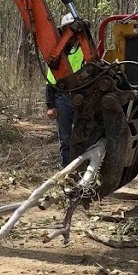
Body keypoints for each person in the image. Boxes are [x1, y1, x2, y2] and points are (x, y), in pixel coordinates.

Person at [45, 18, 85, 167]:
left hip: (82, 99)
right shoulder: (58, 53)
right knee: (65, 139)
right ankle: (68, 172)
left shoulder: (85, 50)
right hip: (63, 99)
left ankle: (82, 172)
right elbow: (50, 80)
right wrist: (50, 105)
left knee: (81, 137)